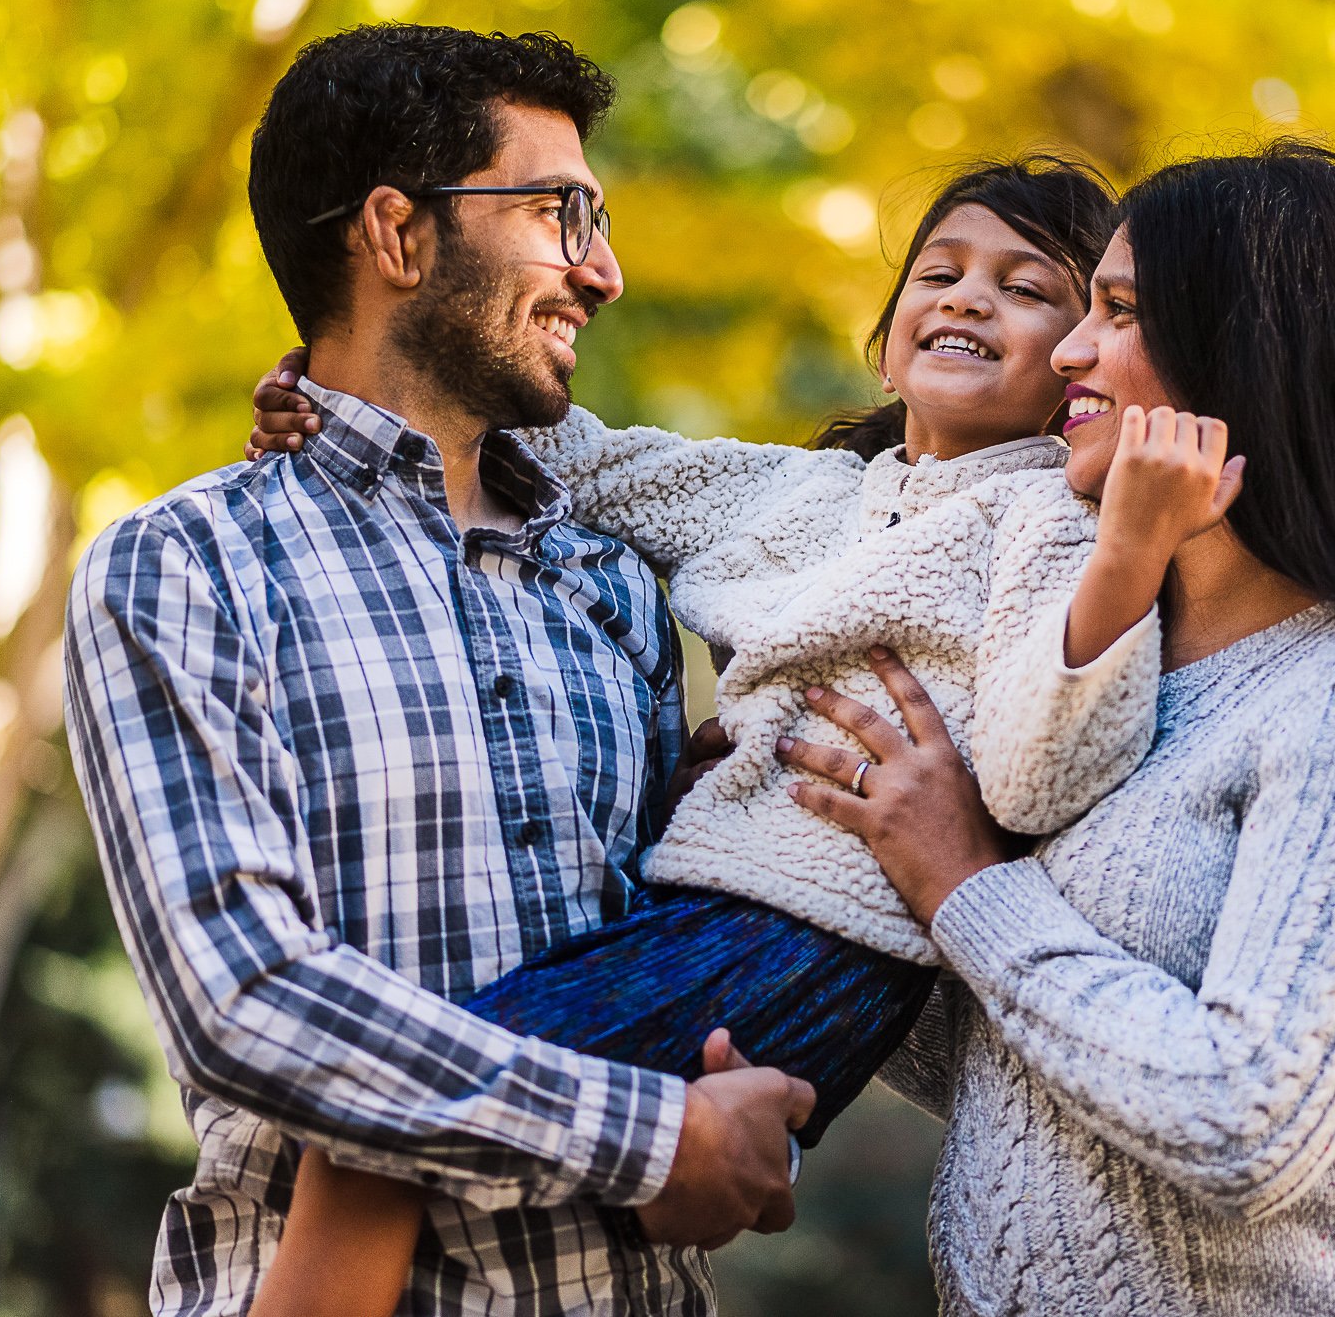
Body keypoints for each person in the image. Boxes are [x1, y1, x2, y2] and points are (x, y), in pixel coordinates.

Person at [243, 155, 1245, 1317]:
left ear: (1077, 365)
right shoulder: (791, 496)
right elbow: (579, 456)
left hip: (809, 947)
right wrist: (332, 395)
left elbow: (1045, 769)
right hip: (693, 912)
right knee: (458, 1159)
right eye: (941, 272)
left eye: (1026, 290)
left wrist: (1128, 551)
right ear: (886, 340)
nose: (969, 298)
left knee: (387, 1106)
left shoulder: (1052, 520)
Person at [62, 24, 819, 1317]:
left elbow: (644, 969)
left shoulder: (617, 581)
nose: (606, 272)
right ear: (398, 235)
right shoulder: (185, 569)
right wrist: (645, 1137)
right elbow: (245, 1004)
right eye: (558, 211)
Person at [774, 140, 1335, 1314]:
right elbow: (1016, 1064)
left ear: (1254, 351)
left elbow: (1246, 1121)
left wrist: (960, 885)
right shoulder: (1094, 673)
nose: (1067, 350)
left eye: (1118, 311)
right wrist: (843, 842)